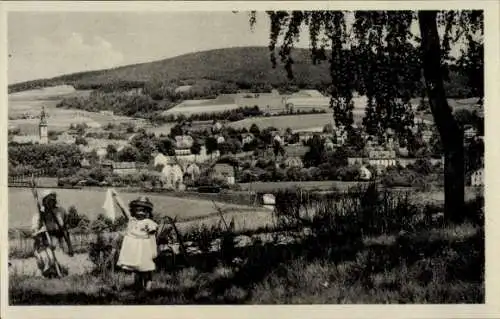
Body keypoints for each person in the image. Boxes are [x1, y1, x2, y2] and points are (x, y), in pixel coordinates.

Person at [111, 190, 159, 291]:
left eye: (144, 211)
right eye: (138, 210)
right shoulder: (132, 220)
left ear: (148, 212)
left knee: (146, 268)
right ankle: (129, 287)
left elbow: (152, 238)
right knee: (131, 267)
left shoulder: (149, 222)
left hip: (144, 247)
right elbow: (123, 208)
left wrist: (153, 251)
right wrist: (116, 196)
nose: (140, 213)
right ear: (134, 210)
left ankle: (148, 288)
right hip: (132, 247)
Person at [31, 190, 74, 277]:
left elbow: (65, 230)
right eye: (49, 200)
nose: (51, 201)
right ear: (44, 201)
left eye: (53, 199)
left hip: (58, 243)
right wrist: (41, 231)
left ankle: (56, 272)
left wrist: (70, 247)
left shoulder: (61, 211)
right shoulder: (39, 215)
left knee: (64, 267)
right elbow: (34, 234)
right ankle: (47, 272)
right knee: (49, 260)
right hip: (43, 244)